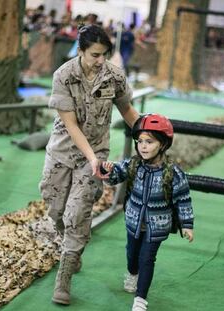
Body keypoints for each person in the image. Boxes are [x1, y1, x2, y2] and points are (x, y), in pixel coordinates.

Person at [39, 24, 140, 306]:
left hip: (95, 156)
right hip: (62, 152)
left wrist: (148, 135)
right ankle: (71, 242)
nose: (101, 60)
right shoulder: (63, 75)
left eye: (104, 54)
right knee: (55, 208)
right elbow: (70, 124)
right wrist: (91, 156)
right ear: (81, 51)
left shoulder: (114, 75)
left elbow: (128, 110)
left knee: (77, 213)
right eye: (95, 54)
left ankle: (65, 274)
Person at [101, 114, 194, 311]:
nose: (143, 146)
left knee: (147, 259)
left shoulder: (173, 173)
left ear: (163, 144)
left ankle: (140, 300)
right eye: (140, 141)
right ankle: (132, 274)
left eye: (149, 142)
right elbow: (116, 175)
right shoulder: (134, 164)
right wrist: (108, 171)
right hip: (134, 222)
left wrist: (187, 225)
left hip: (157, 226)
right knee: (132, 255)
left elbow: (183, 199)